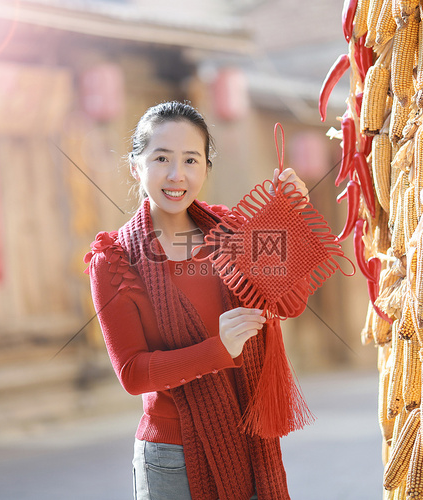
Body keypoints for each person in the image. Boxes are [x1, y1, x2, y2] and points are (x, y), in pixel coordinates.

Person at [84, 101, 310, 500]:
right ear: (136, 166)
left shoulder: (231, 231)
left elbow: (291, 303)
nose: (177, 175)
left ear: (206, 167)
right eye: (161, 158)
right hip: (171, 457)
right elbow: (133, 373)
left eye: (191, 159)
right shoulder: (113, 261)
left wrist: (292, 217)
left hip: (250, 442)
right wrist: (218, 350)